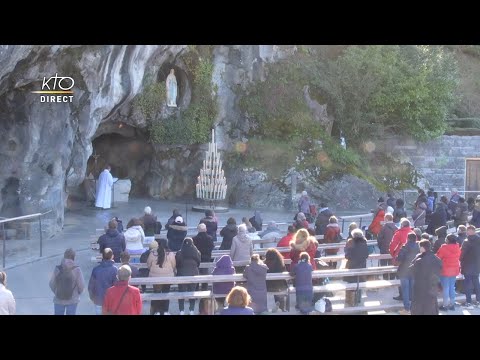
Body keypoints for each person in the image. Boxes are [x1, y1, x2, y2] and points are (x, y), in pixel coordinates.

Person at [409, 240, 442, 315]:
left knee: (419, 305)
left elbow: (411, 270)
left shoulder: (419, 259)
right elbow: (440, 269)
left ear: (423, 248)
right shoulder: (436, 258)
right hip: (433, 286)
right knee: (431, 305)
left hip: (420, 286)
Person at [49, 248, 85, 315]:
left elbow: (51, 283)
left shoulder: (58, 268)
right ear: (73, 257)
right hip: (73, 299)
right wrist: (77, 293)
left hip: (59, 299)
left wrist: (57, 291)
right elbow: (81, 286)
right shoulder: (77, 269)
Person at [147, 238, 176, 315]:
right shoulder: (171, 254)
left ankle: (157, 311)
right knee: (166, 293)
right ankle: (165, 311)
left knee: (156, 293)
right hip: (168, 277)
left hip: (155, 278)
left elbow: (149, 265)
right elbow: (173, 266)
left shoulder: (153, 253)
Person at [389, 218, 414, 301]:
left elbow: (393, 245)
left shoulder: (398, 233)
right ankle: (410, 295)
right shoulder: (412, 233)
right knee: (410, 277)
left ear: (402, 225)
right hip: (412, 259)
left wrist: (393, 255)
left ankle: (402, 295)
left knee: (400, 277)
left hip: (400, 258)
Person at [343, 229, 369, 307]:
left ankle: (351, 300)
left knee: (351, 283)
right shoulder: (364, 243)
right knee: (359, 283)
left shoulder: (351, 243)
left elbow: (347, 256)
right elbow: (366, 255)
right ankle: (358, 299)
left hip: (352, 266)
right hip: (361, 266)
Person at [88, 248, 118, 315]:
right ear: (112, 256)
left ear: (102, 256)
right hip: (111, 302)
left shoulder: (96, 269)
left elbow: (91, 286)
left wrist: (93, 297)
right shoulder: (115, 270)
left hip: (98, 300)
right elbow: (117, 287)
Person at [175, 237, 201, 315]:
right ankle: (191, 310)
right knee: (192, 292)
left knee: (181, 292)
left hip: (182, 273)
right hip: (193, 273)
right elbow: (198, 263)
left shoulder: (179, 252)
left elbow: (177, 264)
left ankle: (182, 310)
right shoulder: (196, 252)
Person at [396, 233, 420, 315]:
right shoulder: (418, 247)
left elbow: (399, 258)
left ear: (408, 238)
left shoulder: (404, 247)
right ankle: (413, 308)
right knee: (412, 290)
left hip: (404, 271)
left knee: (405, 290)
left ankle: (407, 309)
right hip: (414, 271)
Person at [436, 234, 461, 311]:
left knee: (445, 288)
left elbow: (438, 257)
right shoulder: (458, 247)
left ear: (448, 240)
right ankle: (452, 304)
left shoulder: (444, 247)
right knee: (452, 287)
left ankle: (445, 305)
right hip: (454, 269)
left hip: (445, 270)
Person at [460, 225, 480, 308]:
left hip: (467, 265)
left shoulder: (466, 241)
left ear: (468, 231)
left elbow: (462, 255)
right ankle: (478, 301)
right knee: (476, 283)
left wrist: (460, 260)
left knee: (467, 284)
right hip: (477, 264)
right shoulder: (479, 240)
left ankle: (469, 302)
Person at [264, 248, 289, 312]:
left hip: (268, 287)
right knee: (283, 286)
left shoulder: (264, 264)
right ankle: (281, 307)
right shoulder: (281, 263)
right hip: (280, 287)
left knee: (274, 285)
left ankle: (277, 305)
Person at [377, 213, 397, 279]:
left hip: (384, 249)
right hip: (394, 250)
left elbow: (379, 238)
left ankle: (385, 278)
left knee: (384, 265)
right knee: (392, 264)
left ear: (386, 219)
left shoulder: (384, 228)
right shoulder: (396, 227)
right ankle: (392, 278)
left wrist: (380, 246)